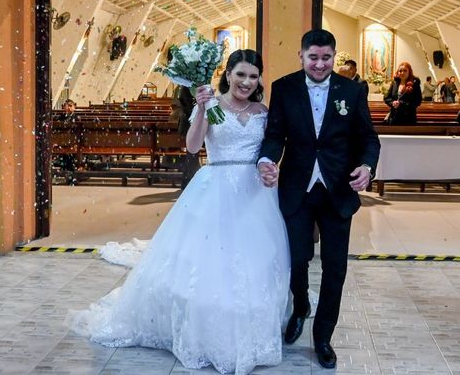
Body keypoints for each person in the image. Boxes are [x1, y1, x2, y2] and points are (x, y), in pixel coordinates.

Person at [71, 49, 290, 375]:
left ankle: (249, 321)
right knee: (211, 261)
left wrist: (269, 168)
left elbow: (270, 147)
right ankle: (207, 326)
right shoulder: (214, 107)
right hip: (216, 186)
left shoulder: (262, 111)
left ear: (259, 79)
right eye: (240, 74)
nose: (246, 81)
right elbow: (193, 145)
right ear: (228, 74)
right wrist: (202, 107)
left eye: (253, 76)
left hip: (254, 192)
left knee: (253, 260)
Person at [258, 29, 380, 370]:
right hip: (297, 187)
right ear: (301, 56)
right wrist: (266, 160)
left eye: (326, 58)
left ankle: (323, 336)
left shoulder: (352, 90)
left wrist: (367, 167)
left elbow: (369, 138)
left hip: (338, 190)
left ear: (334, 57)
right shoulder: (284, 88)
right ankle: (300, 307)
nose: (320, 64)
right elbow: (274, 135)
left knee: (335, 267)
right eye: (313, 57)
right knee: (297, 259)